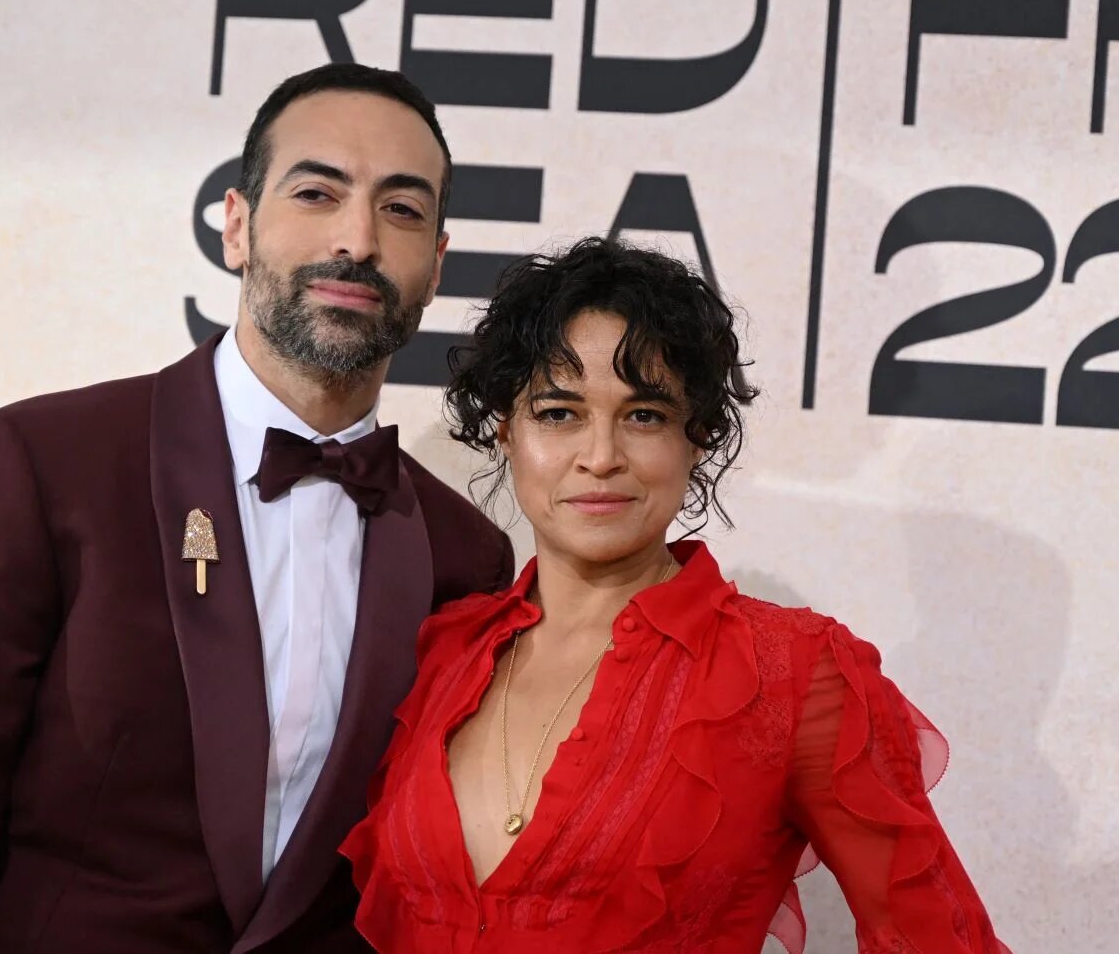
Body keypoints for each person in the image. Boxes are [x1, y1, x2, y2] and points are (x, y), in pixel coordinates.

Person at [0, 63, 515, 954]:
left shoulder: (466, 555)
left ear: (436, 266)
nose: (358, 238)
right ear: (235, 226)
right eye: (316, 192)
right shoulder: (41, 465)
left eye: (402, 210)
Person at [340, 237, 1007, 952]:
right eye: (559, 413)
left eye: (644, 415)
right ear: (507, 431)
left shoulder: (795, 674)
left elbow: (940, 938)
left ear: (699, 437)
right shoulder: (448, 650)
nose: (600, 456)